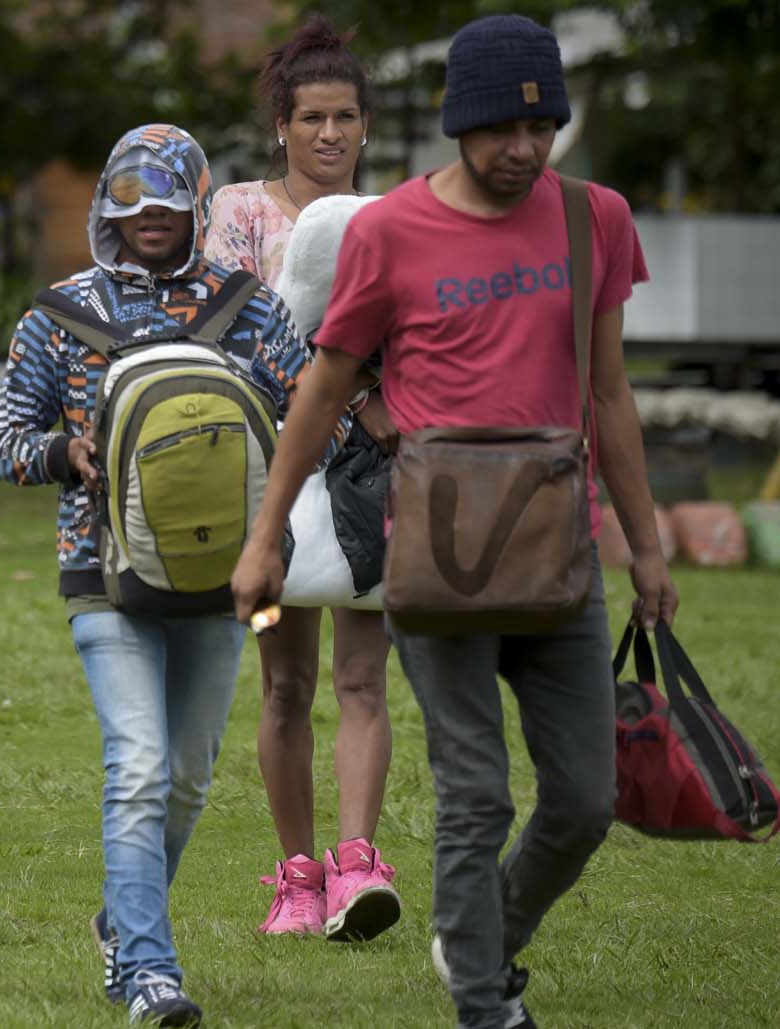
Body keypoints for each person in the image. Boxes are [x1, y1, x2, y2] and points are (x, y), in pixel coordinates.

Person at [230, 15, 678, 1029]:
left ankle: (478, 937)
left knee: (581, 799)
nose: (522, 150)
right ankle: (485, 1005)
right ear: (455, 127)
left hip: (558, 547)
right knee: (475, 794)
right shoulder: (388, 232)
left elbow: (608, 395)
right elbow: (322, 388)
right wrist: (264, 539)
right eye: (498, 132)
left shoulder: (590, 219)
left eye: (542, 129)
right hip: (433, 552)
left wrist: (644, 548)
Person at [0, 123, 322, 1027]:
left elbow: (310, 418)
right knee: (137, 767)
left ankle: (122, 920)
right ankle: (148, 973)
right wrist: (66, 450)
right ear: (105, 207)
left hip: (226, 577)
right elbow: (2, 440)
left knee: (187, 777)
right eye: (130, 200)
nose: (151, 217)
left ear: (198, 203)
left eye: (170, 199)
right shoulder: (58, 315)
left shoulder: (251, 306)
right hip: (102, 573)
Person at [205, 19, 400, 940]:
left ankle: (358, 869)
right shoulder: (239, 213)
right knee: (287, 685)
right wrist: (329, 396)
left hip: (373, 477)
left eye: (347, 117)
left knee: (365, 678)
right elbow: (227, 330)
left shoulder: (398, 220)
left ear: (367, 126)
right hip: (274, 477)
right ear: (280, 124)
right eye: (313, 117)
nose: (331, 134)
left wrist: (375, 401)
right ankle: (295, 876)